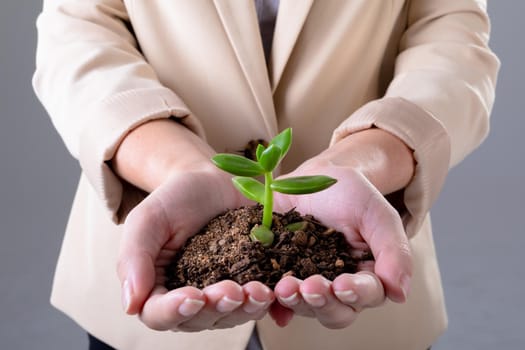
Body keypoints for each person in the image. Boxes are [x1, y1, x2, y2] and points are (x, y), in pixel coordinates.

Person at [32, 1, 499, 349]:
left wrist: (368, 156)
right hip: (154, 232)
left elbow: (451, 32)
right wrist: (176, 164)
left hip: (360, 257)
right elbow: (79, 27)